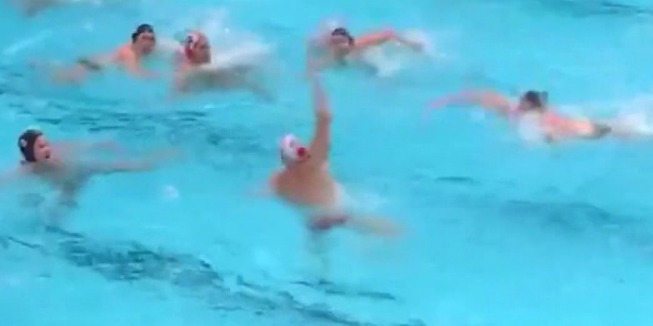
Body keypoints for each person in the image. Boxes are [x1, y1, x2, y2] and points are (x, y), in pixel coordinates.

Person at [265, 73, 398, 240]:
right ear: (302, 153)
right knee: (394, 231)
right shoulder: (313, 164)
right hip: (338, 214)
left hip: (312, 221)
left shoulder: (277, 179)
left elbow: (262, 193)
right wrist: (316, 81)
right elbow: (324, 117)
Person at [0, 129, 173, 209]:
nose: (47, 149)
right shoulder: (25, 169)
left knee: (121, 166)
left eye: (47, 144)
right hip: (65, 184)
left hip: (81, 170)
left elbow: (91, 144)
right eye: (41, 147)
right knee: (57, 210)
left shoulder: (61, 152)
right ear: (30, 153)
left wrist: (108, 144)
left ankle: (157, 159)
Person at [431, 89, 620, 143]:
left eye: (524, 102)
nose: (520, 103)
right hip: (578, 126)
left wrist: (550, 141)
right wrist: (446, 100)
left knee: (611, 131)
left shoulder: (538, 117)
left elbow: (551, 134)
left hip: (578, 129)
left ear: (529, 104)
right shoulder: (515, 109)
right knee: (612, 129)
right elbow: (478, 96)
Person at [172, 30, 271, 98]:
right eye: (203, 48)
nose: (208, 51)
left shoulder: (194, 63)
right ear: (191, 52)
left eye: (208, 46)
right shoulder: (191, 71)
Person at [50, 23, 162, 82]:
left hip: (96, 66)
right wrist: (159, 75)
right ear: (135, 39)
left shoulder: (147, 49)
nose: (148, 42)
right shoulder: (129, 53)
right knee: (59, 80)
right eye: (144, 38)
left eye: (151, 39)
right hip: (91, 67)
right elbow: (133, 74)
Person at [306, 25, 426, 73]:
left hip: (369, 51)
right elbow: (320, 64)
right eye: (335, 43)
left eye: (342, 42)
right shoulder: (334, 53)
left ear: (349, 41)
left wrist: (411, 44)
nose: (339, 46)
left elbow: (389, 35)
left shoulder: (361, 43)